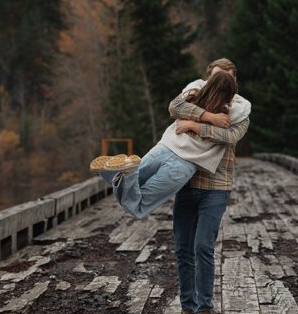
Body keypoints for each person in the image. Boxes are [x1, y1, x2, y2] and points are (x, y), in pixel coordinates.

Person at [90, 70, 250, 220]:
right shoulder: (229, 115)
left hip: (164, 148)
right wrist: (212, 119)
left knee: (129, 188)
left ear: (208, 83)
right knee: (137, 207)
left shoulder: (192, 98)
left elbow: (174, 106)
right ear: (232, 93)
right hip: (183, 165)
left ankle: (117, 172)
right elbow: (230, 137)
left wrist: (193, 124)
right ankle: (127, 172)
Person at [166, 58, 249, 314]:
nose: (221, 83)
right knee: (182, 248)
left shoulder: (240, 109)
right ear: (208, 79)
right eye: (216, 78)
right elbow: (174, 107)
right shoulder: (196, 95)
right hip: (187, 184)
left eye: (227, 78)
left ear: (234, 81)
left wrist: (193, 126)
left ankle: (205, 311)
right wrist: (209, 117)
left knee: (203, 246)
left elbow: (231, 137)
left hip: (216, 186)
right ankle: (188, 310)